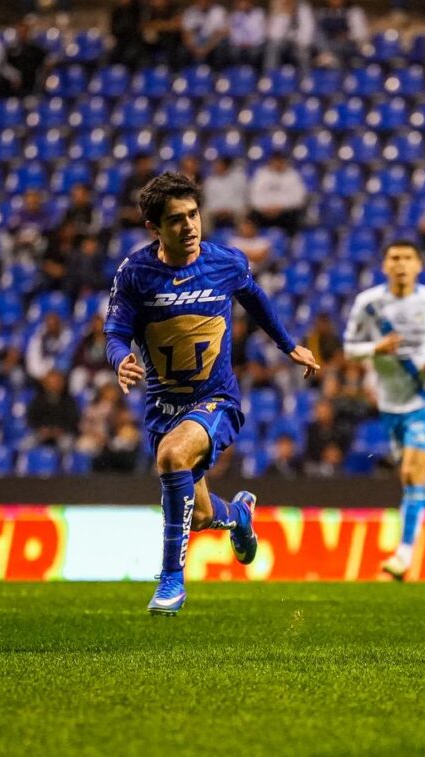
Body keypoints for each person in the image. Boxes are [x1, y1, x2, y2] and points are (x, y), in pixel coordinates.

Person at [104, 172, 319, 615]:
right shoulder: (136, 274)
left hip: (216, 400)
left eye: (193, 215)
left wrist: (288, 345)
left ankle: (170, 581)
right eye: (176, 219)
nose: (189, 226)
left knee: (171, 458)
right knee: (199, 515)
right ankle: (238, 515)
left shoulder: (226, 262)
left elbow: (255, 298)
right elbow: (116, 330)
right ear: (154, 228)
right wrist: (119, 358)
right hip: (164, 407)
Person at [343, 240, 425, 579]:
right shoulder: (369, 304)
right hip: (390, 402)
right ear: (384, 265)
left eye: (407, 258)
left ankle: (403, 555)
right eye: (394, 258)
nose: (400, 264)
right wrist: (376, 347)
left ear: (418, 265)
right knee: (413, 475)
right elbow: (350, 349)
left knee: (412, 473)